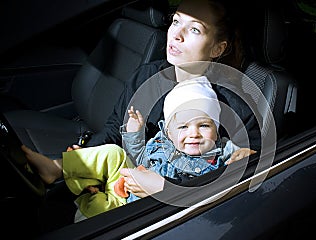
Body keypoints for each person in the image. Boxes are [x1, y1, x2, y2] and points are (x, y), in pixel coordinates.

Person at [22, 0, 262, 219]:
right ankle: (56, 168)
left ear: (217, 49)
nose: (176, 35)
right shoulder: (147, 76)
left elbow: (236, 198)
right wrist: (88, 159)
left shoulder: (235, 109)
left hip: (164, 213)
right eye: (176, 21)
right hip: (127, 175)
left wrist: (163, 189)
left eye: (194, 29)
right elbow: (115, 130)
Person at [22, 76, 255, 219]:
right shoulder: (163, 143)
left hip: (141, 208)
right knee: (114, 153)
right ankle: (56, 168)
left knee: (96, 213)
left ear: (216, 129)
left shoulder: (223, 151)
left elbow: (238, 166)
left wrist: (243, 155)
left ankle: (86, 198)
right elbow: (139, 157)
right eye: (183, 127)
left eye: (204, 125)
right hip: (127, 182)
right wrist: (134, 134)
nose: (193, 133)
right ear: (169, 131)